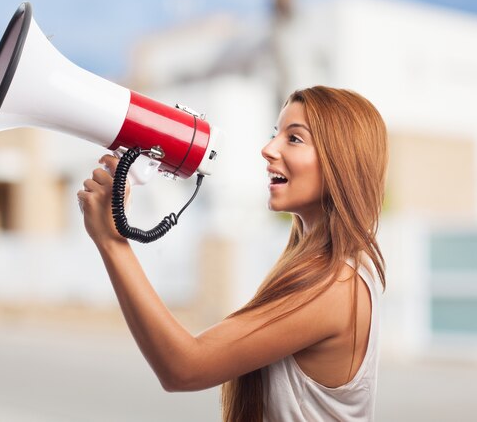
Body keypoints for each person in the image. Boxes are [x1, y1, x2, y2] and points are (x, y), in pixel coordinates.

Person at [76, 85, 388, 422]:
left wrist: (111, 241)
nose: (268, 149)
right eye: (275, 134)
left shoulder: (335, 287)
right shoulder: (324, 271)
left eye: (294, 139)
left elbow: (184, 367)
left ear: (342, 160)